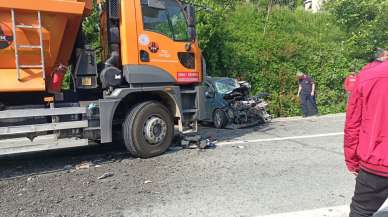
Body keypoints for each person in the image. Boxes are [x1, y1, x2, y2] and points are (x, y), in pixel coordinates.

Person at [344, 50, 388, 217]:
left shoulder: (368, 75)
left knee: (360, 212)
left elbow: (353, 123)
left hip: (375, 164)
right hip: (376, 163)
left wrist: (352, 160)